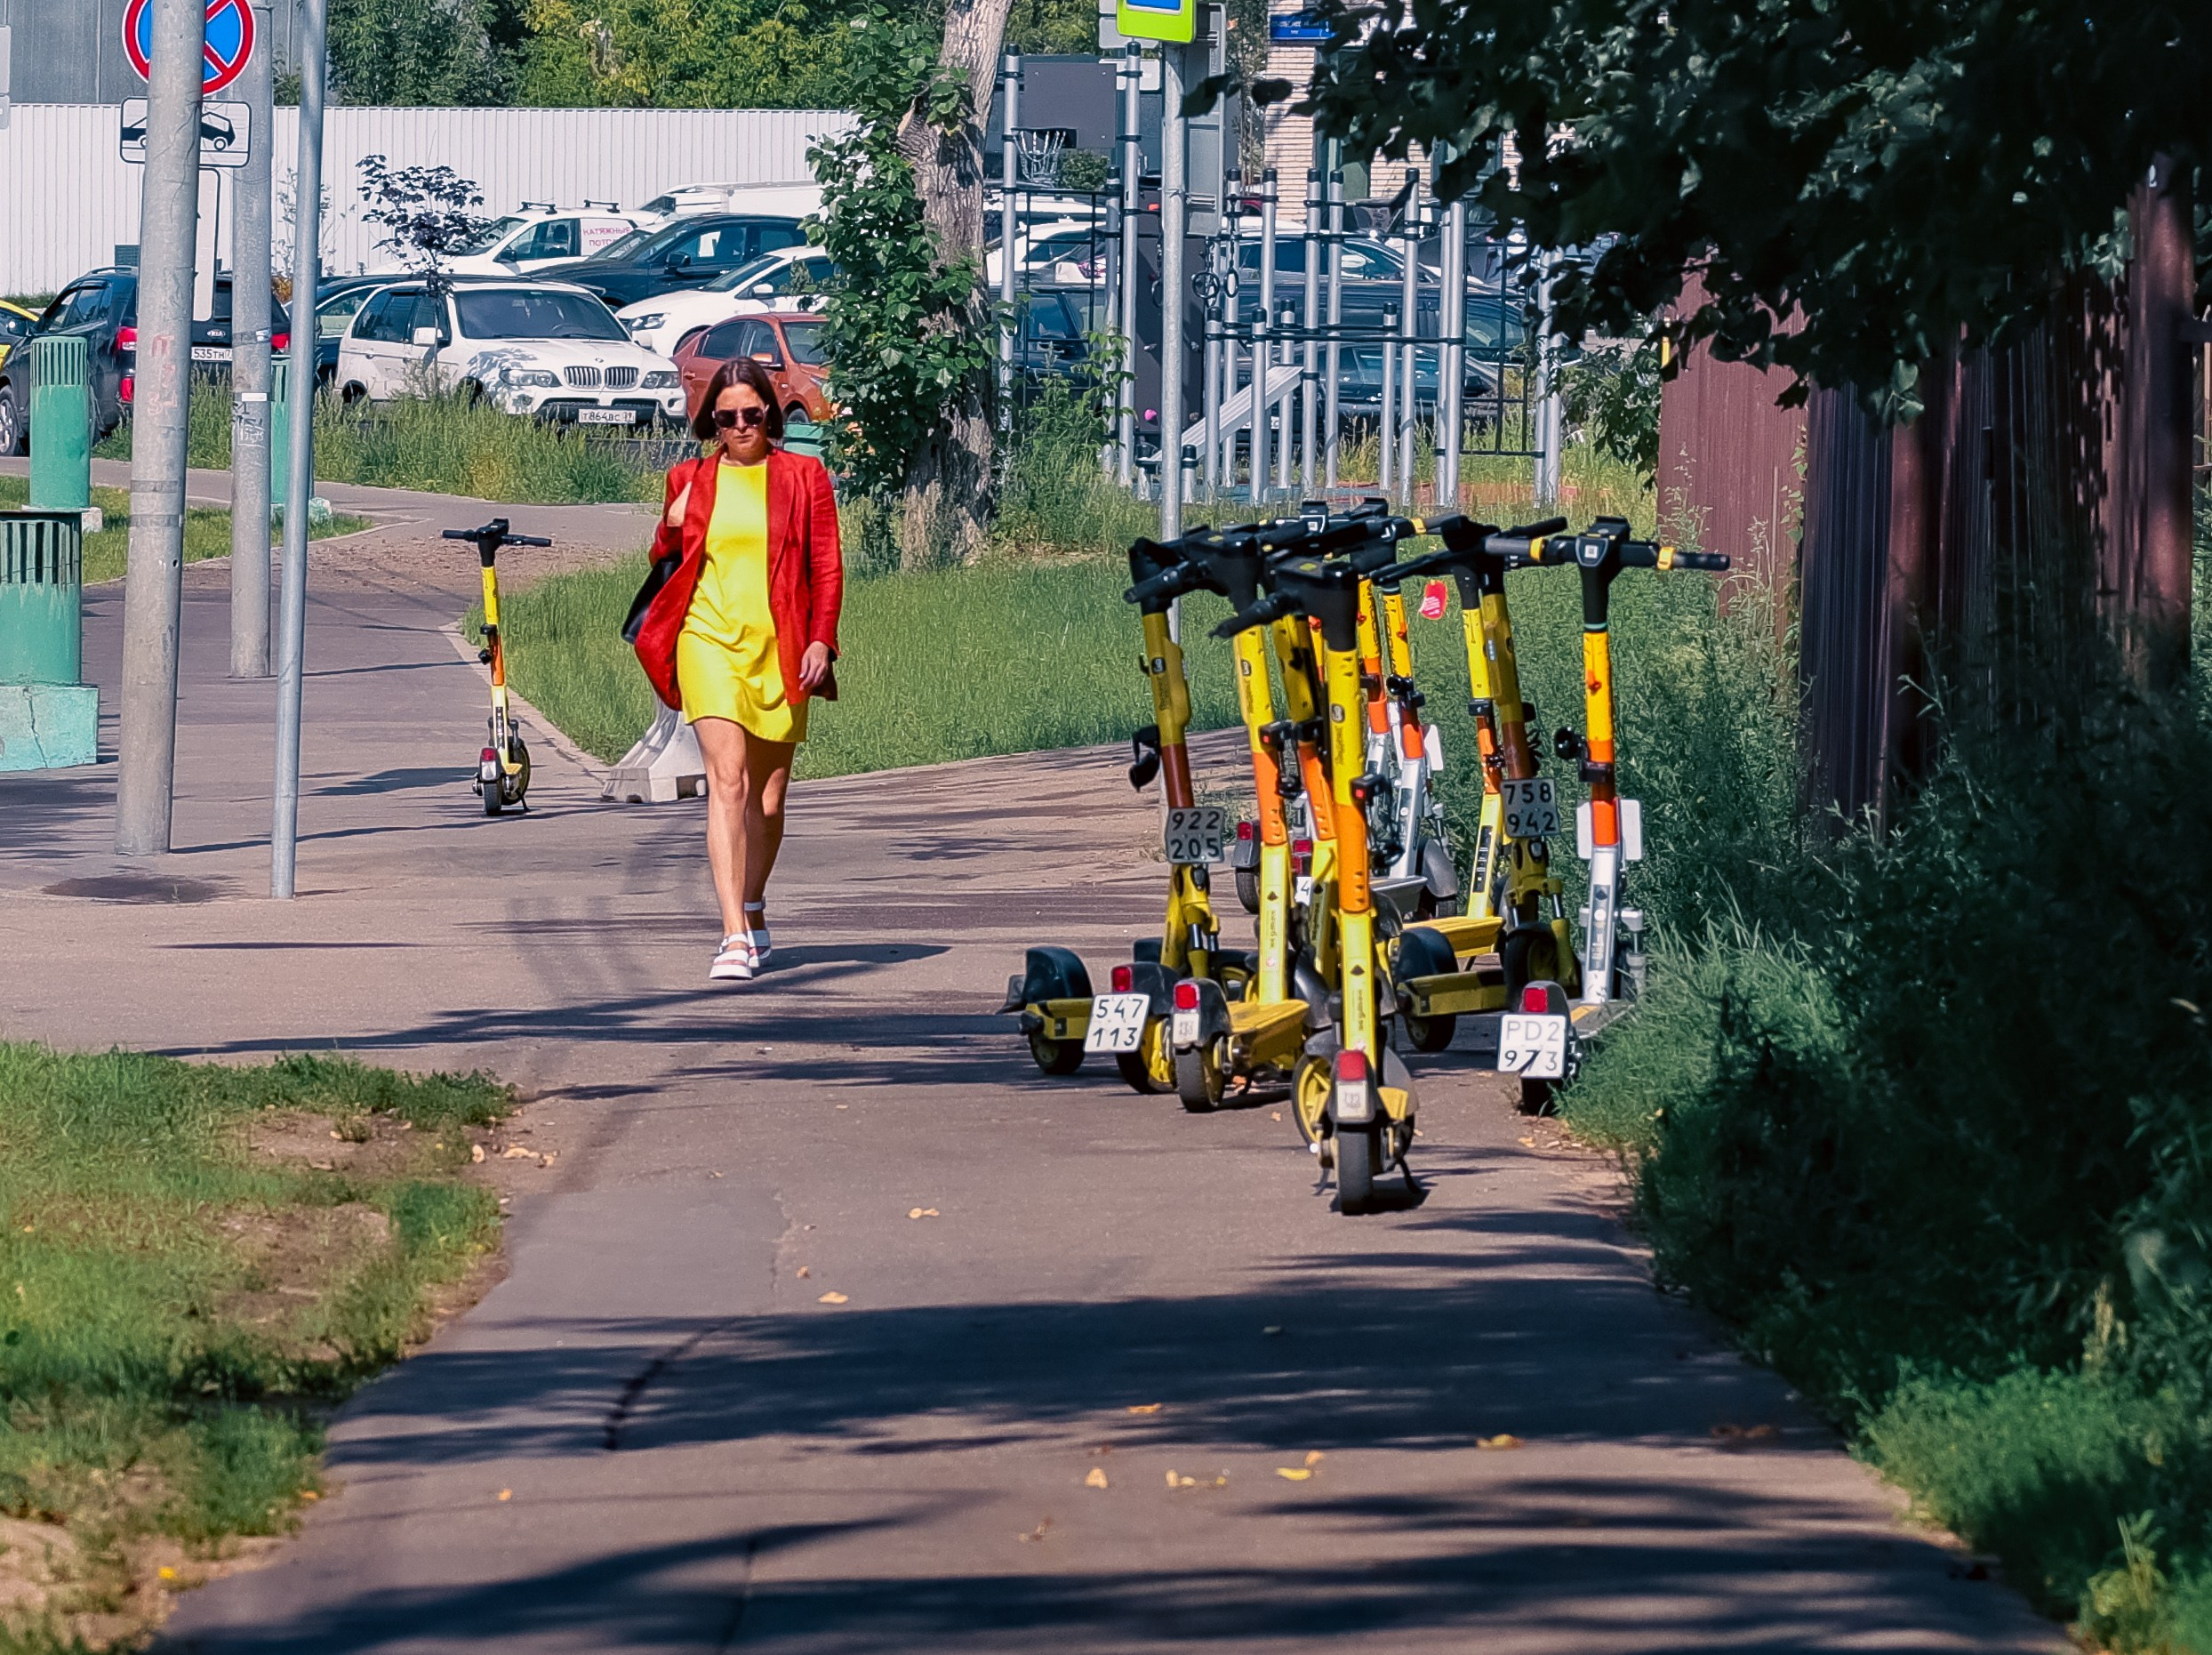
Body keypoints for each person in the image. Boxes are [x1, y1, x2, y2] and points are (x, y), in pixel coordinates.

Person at [630, 358, 842, 981]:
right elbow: (666, 555)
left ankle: (752, 901)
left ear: (770, 413)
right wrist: (671, 523)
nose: (741, 426)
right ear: (712, 423)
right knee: (728, 782)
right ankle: (731, 934)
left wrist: (822, 641)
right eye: (728, 418)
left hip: (780, 646)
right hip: (707, 640)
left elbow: (827, 567)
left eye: (752, 414)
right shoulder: (688, 477)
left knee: (768, 802)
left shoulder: (803, 476)